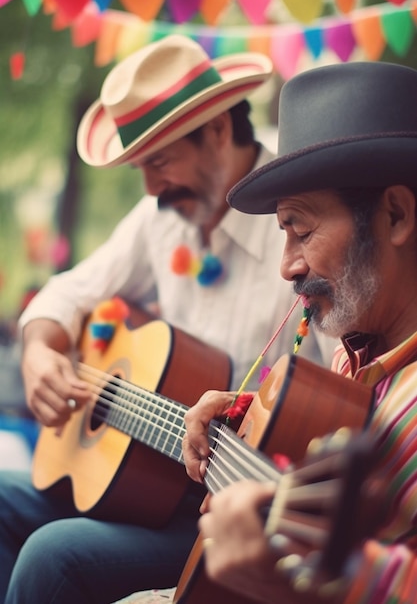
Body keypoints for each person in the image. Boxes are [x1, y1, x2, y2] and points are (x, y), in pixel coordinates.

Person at [0, 35, 334, 604]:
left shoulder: (301, 215)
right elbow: (66, 293)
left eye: (159, 161)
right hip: (136, 485)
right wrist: (38, 352)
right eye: (140, 166)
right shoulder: (161, 217)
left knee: (52, 556)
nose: (151, 188)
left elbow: (341, 399)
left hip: (224, 504)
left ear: (219, 131)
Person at [182, 59, 417, 603]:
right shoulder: (357, 355)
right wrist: (253, 421)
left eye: (301, 229)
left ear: (397, 215)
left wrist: (285, 584)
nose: (287, 265)